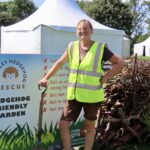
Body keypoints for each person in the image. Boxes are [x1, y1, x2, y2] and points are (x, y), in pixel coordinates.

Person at [38, 19, 124, 150]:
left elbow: (120, 62)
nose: (82, 31)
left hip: (92, 96)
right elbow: (60, 63)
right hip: (73, 95)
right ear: (76, 31)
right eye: (79, 29)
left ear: (91, 31)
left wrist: (105, 77)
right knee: (63, 124)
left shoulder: (100, 48)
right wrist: (46, 78)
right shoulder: (72, 46)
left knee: (89, 128)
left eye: (85, 29)